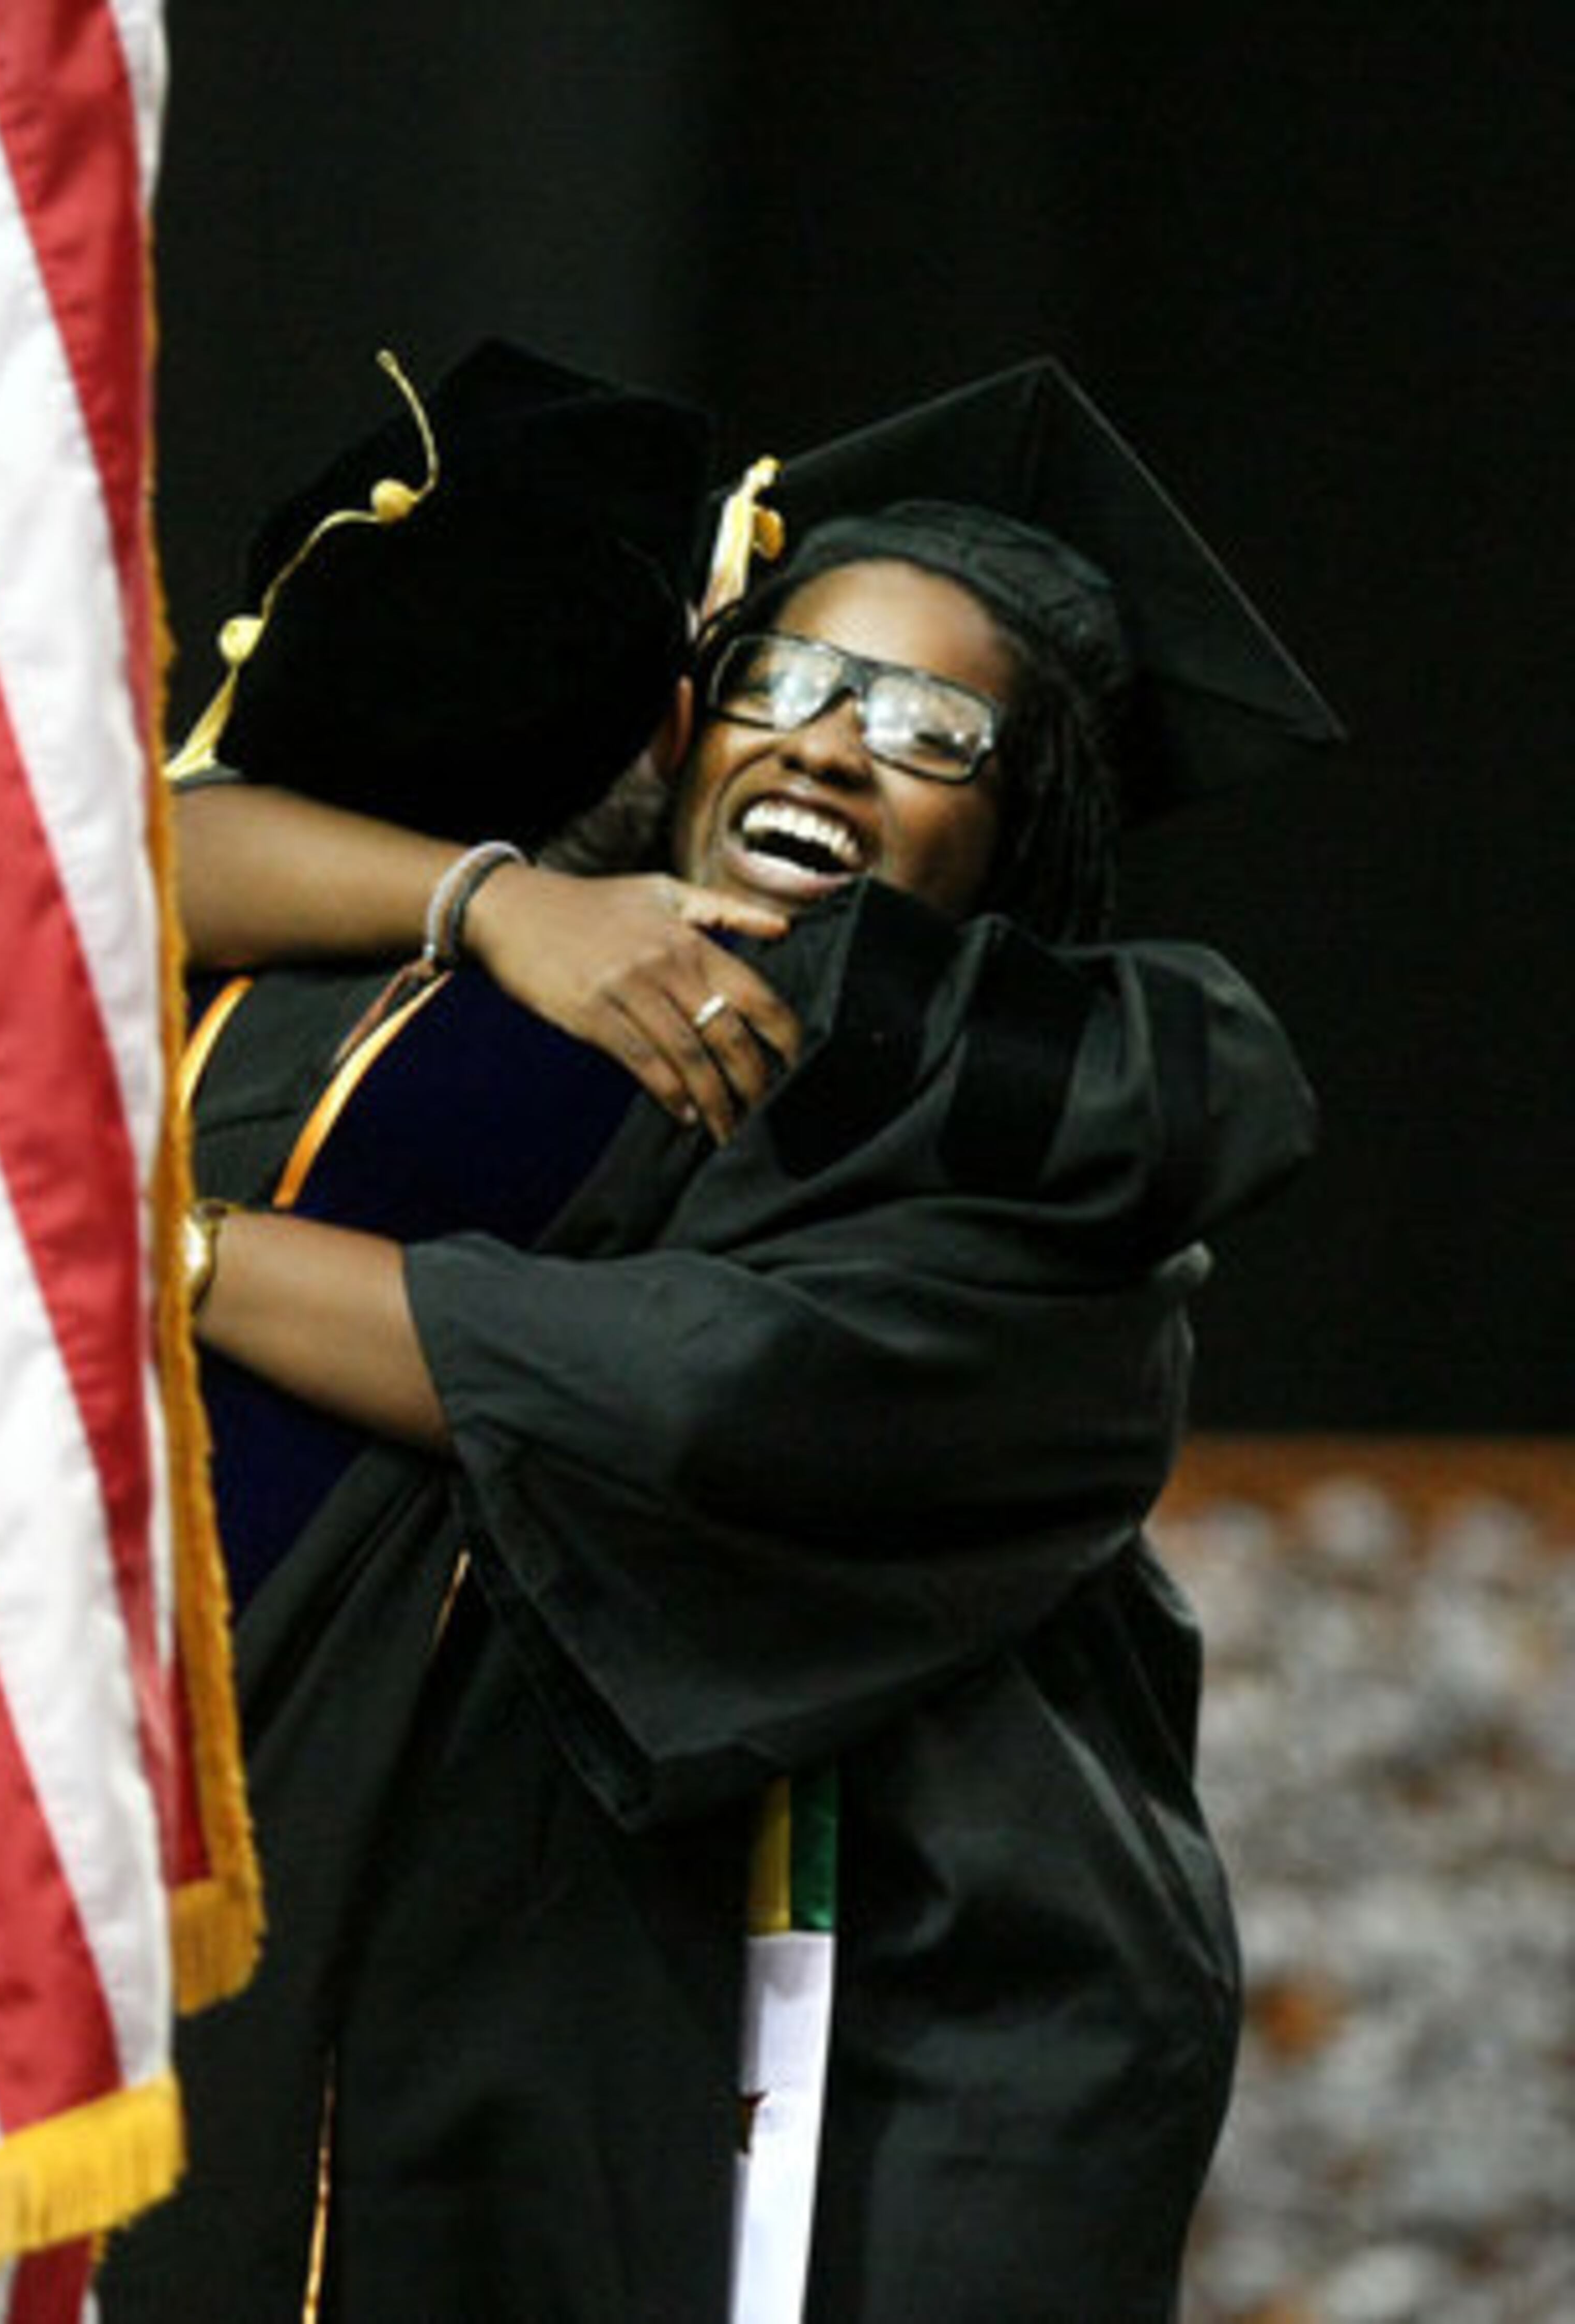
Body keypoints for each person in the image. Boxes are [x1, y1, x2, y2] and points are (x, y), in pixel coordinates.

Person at [102, 353, 1337, 2322]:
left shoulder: (1058, 1136)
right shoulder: (576, 974)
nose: (833, 748)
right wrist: (487, 897)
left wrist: (164, 1256)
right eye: (786, 682)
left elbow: (670, 1394)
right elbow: (130, 861)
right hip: (503, 1965)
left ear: (1031, 820)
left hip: (927, 1990)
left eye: (931, 726)